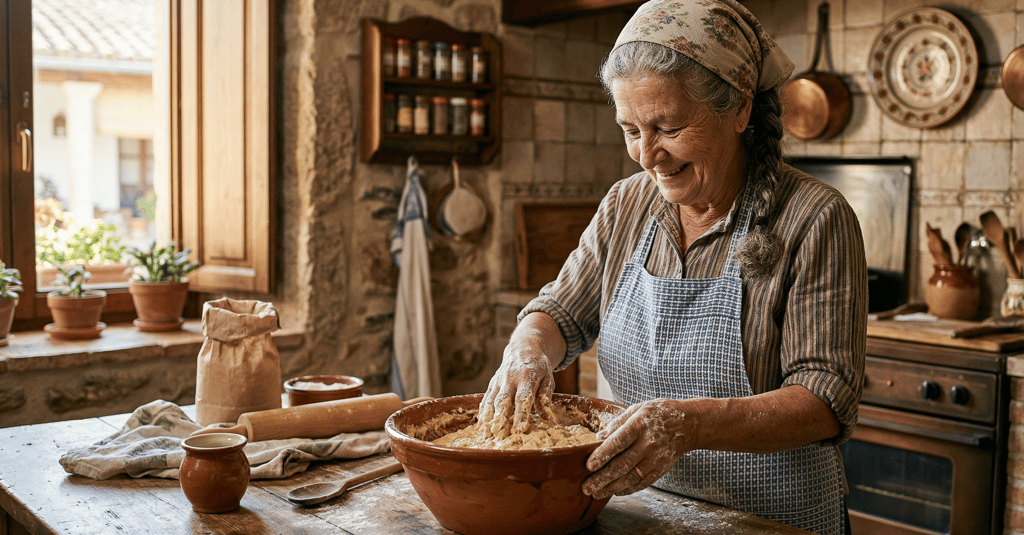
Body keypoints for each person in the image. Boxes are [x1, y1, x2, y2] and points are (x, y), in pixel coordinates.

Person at [477, 1, 867, 534]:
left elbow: (826, 399)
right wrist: (525, 351)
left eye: (667, 126)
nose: (646, 155)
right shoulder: (627, 205)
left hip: (773, 519)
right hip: (644, 514)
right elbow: (558, 313)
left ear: (740, 110)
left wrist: (686, 424)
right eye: (630, 129)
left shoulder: (815, 218)